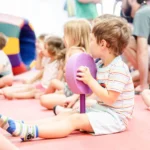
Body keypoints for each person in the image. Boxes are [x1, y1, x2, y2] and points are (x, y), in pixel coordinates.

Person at [0, 16, 134, 141]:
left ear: (103, 44)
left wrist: (90, 80)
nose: (90, 43)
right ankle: (22, 125)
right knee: (68, 113)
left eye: (92, 39)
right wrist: (75, 96)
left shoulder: (119, 69)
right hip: (102, 110)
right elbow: (90, 90)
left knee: (75, 120)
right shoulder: (99, 64)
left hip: (115, 118)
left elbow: (110, 99)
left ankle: (31, 132)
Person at [40, 19, 91, 110]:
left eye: (65, 35)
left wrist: (76, 96)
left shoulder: (76, 53)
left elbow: (80, 79)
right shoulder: (73, 50)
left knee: (44, 100)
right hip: (71, 89)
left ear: (74, 37)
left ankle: (73, 104)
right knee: (52, 92)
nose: (63, 38)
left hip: (76, 93)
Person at [0, 36, 65, 99]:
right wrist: (39, 57)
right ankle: (6, 90)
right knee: (29, 87)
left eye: (45, 48)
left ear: (53, 50)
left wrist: (54, 92)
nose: (43, 50)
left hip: (48, 88)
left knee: (33, 92)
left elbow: (57, 80)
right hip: (42, 85)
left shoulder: (58, 62)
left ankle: (14, 95)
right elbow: (38, 67)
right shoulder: (48, 59)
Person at [122, 0, 150, 93]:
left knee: (126, 41)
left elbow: (143, 51)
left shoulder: (141, 13)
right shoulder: (146, 10)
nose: (121, 5)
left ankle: (145, 83)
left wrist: (143, 85)